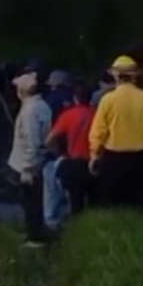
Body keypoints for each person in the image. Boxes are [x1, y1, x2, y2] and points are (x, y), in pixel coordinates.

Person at [89, 56, 143, 208]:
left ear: (115, 75)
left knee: (114, 204)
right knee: (138, 204)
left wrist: (94, 155)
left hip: (114, 159)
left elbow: (98, 132)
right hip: (141, 159)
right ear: (135, 76)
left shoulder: (108, 100)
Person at [7, 71, 52, 245]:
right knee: (33, 201)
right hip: (37, 162)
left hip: (29, 166)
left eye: (18, 87)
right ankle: (34, 233)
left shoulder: (29, 112)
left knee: (31, 202)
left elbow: (32, 142)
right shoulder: (40, 106)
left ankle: (35, 238)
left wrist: (27, 169)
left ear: (23, 91)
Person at [45, 84, 96, 214]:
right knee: (94, 201)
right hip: (94, 163)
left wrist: (58, 154)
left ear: (75, 98)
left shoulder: (68, 115)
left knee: (75, 201)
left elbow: (50, 139)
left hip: (74, 163)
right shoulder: (96, 114)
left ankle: (73, 227)